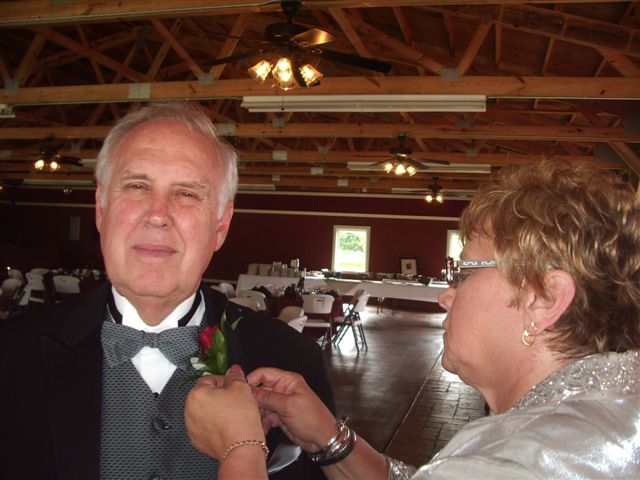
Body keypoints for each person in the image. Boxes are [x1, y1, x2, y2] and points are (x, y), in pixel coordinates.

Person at [184, 160, 640, 479]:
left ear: (544, 297)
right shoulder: (602, 419)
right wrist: (328, 435)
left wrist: (240, 446)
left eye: (463, 274)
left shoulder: (531, 459)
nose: (445, 295)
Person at [0, 102, 334, 480]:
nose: (157, 214)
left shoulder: (295, 360)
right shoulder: (10, 355)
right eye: (137, 186)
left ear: (221, 226)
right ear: (101, 209)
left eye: (187, 193)